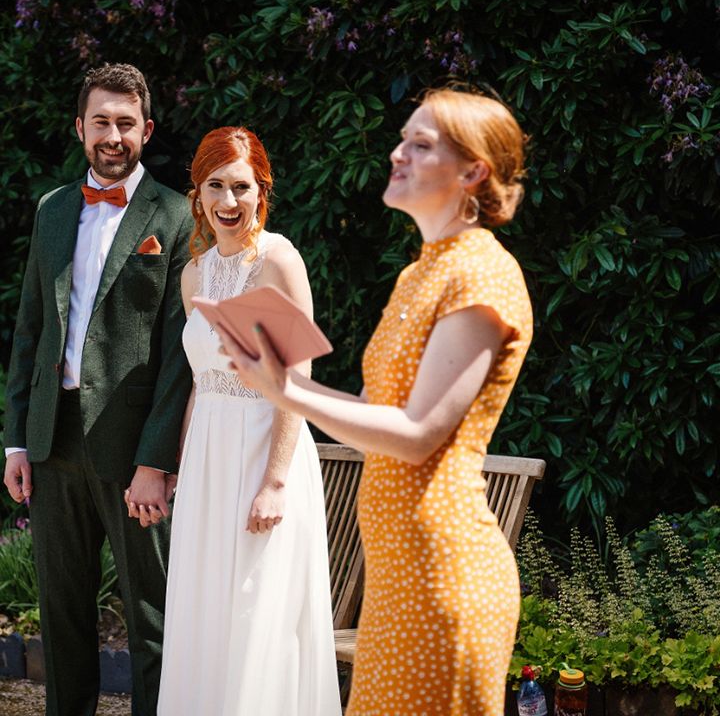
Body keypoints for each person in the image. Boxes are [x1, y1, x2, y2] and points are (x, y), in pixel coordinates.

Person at [216, 87, 533, 715]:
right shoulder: (420, 273)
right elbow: (367, 420)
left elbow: (418, 434)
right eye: (403, 139)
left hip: (444, 573)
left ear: (474, 172)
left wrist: (285, 389)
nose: (397, 153)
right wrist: (277, 376)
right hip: (394, 579)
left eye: (421, 144)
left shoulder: (480, 273)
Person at [2, 63, 192, 716]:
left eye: (126, 123)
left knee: (150, 617)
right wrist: (16, 442)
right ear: (80, 128)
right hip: (53, 438)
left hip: (133, 449)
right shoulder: (53, 209)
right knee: (61, 614)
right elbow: (30, 329)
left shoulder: (176, 215)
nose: (114, 136)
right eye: (102, 122)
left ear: (147, 131)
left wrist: (156, 460)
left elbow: (179, 357)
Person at [152, 126, 341, 716]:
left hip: (265, 451)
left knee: (258, 611)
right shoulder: (194, 275)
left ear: (262, 191)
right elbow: (200, 382)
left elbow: (297, 374)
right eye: (215, 186)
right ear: (198, 194)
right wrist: (182, 465)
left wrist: (275, 482)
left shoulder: (278, 261)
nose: (228, 201)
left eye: (241, 187)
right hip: (208, 459)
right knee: (206, 607)